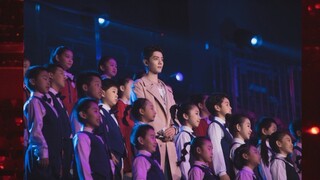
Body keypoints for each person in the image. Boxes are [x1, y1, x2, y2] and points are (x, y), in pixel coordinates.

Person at [132, 45, 181, 179]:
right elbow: (142, 112)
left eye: (162, 59)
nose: (160, 62)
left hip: (170, 146)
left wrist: (174, 130)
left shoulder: (168, 88)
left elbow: (175, 117)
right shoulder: (139, 84)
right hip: (153, 142)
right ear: (146, 62)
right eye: (155, 59)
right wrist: (163, 131)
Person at [24, 65, 62, 179]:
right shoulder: (34, 102)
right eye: (44, 78)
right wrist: (42, 152)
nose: (48, 82)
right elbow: (36, 129)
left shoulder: (45, 102)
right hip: (40, 156)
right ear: (33, 81)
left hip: (52, 154)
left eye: (49, 79)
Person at [73, 98, 113, 180]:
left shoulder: (98, 137)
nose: (99, 115)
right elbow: (84, 166)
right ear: (83, 115)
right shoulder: (82, 137)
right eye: (95, 111)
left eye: (99, 111)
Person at [45, 63, 73, 179]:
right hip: (56, 151)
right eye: (61, 73)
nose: (65, 77)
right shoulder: (47, 97)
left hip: (65, 150)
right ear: (51, 75)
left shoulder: (58, 99)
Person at [98, 78, 126, 179]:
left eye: (117, 92)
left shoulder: (112, 114)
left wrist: (122, 163)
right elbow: (102, 134)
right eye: (113, 91)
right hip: (110, 157)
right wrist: (109, 154)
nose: (116, 95)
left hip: (118, 158)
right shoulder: (100, 112)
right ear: (103, 93)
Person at [206, 93, 233, 180]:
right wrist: (221, 172)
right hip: (224, 172)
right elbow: (216, 148)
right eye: (227, 104)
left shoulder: (226, 126)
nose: (230, 107)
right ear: (217, 107)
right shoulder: (215, 125)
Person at [171, 102, 201, 179]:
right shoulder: (184, 135)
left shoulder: (190, 135)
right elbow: (184, 161)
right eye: (196, 113)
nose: (199, 117)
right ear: (185, 116)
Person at [114, 77, 135, 179]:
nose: (134, 89)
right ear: (122, 88)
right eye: (132, 87)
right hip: (126, 146)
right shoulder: (119, 106)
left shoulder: (131, 106)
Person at [71, 71, 102, 135]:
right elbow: (79, 135)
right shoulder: (79, 109)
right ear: (85, 87)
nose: (101, 89)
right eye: (97, 85)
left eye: (101, 86)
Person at [50, 46, 77, 115]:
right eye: (67, 57)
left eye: (72, 58)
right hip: (58, 110)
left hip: (72, 113)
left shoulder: (71, 78)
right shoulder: (52, 75)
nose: (70, 60)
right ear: (57, 58)